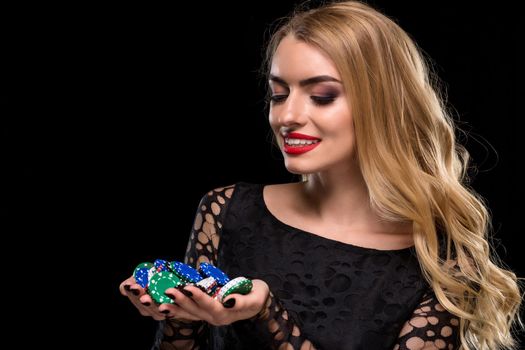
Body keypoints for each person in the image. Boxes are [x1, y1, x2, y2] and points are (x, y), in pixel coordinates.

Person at [120, 1, 523, 349]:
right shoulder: (225, 211)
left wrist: (265, 312)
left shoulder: (441, 264)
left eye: (322, 96)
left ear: (380, 104)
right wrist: (180, 311)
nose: (288, 116)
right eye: (279, 94)